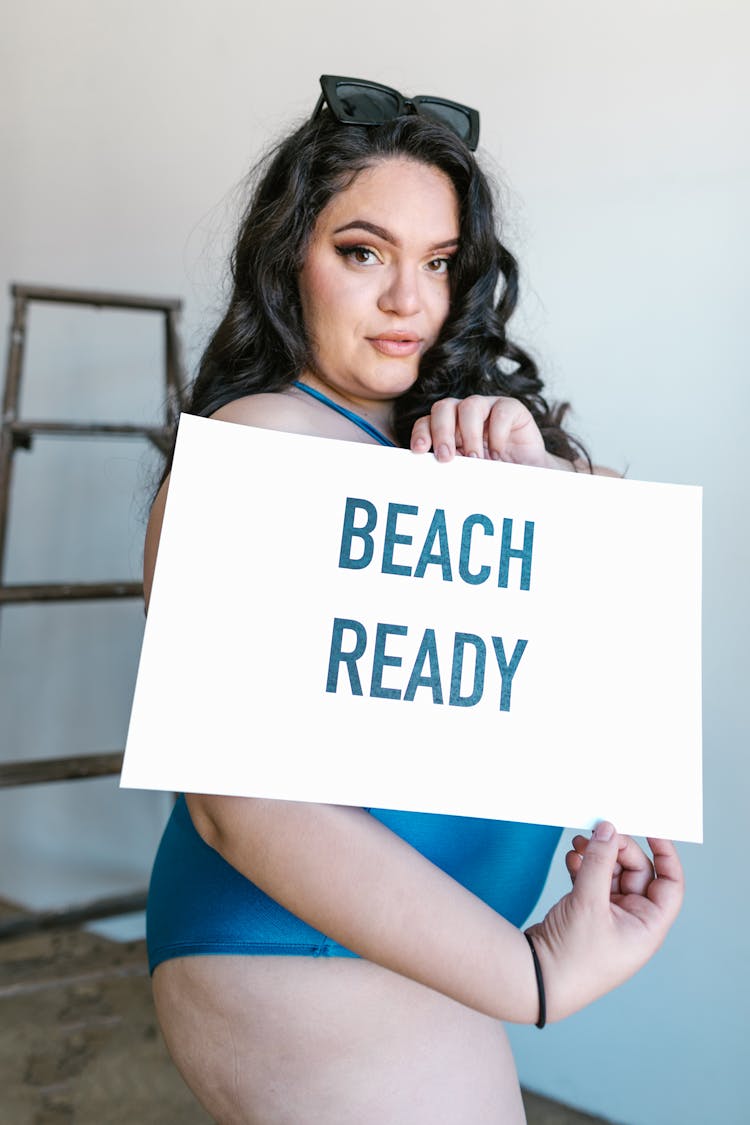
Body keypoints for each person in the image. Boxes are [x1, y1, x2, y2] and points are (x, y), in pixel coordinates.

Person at [143, 77, 684, 1124]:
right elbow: (239, 798)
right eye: (363, 251)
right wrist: (528, 979)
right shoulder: (268, 435)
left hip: (421, 952)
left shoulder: (433, 439)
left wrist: (541, 476)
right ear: (286, 259)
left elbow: (616, 621)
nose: (409, 301)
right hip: (303, 948)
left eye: (439, 263)